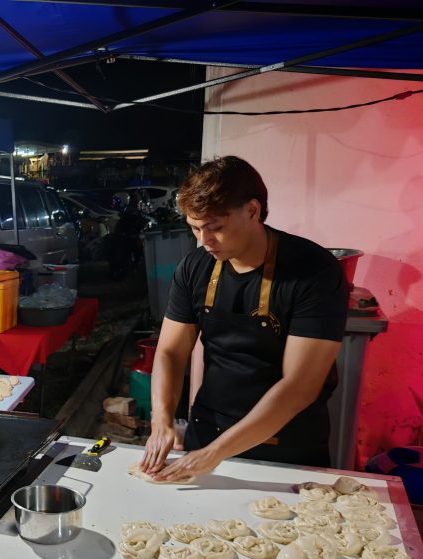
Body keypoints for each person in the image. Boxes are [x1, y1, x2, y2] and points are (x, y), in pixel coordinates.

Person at [140, 156, 348, 482]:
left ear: (252, 211)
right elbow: (170, 352)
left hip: (286, 444)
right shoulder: (195, 267)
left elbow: (300, 386)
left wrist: (217, 453)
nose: (203, 241)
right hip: (207, 432)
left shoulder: (313, 271)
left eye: (215, 228)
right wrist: (162, 420)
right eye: (194, 228)